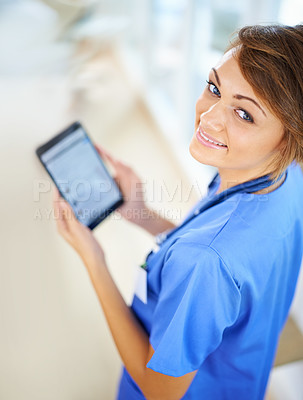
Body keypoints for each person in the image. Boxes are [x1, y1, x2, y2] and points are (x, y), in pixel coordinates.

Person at [52, 24, 303, 400]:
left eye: (245, 115)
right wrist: (141, 213)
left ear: (291, 136)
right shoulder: (285, 178)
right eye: (215, 88)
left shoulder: (205, 261)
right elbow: (225, 271)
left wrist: (94, 260)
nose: (209, 117)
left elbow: (160, 389)